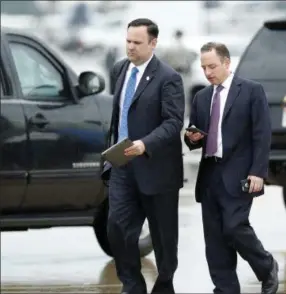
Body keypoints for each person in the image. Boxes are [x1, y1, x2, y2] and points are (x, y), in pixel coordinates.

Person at [184, 42, 279, 294]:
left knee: (235, 227)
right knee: (214, 239)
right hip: (210, 175)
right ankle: (225, 289)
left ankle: (266, 265)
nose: (208, 72)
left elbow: (262, 134)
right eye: (204, 68)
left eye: (212, 66)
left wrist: (258, 171)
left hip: (239, 173)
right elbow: (196, 135)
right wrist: (191, 138)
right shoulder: (201, 97)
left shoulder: (250, 91)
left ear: (227, 63)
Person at [103, 18, 185, 294]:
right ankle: (132, 285)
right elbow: (117, 116)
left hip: (156, 168)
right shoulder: (119, 70)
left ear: (153, 43)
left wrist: (144, 144)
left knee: (163, 239)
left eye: (137, 43)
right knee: (117, 227)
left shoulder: (168, 78)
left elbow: (174, 123)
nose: (130, 47)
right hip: (122, 165)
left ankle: (164, 286)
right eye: (128, 41)